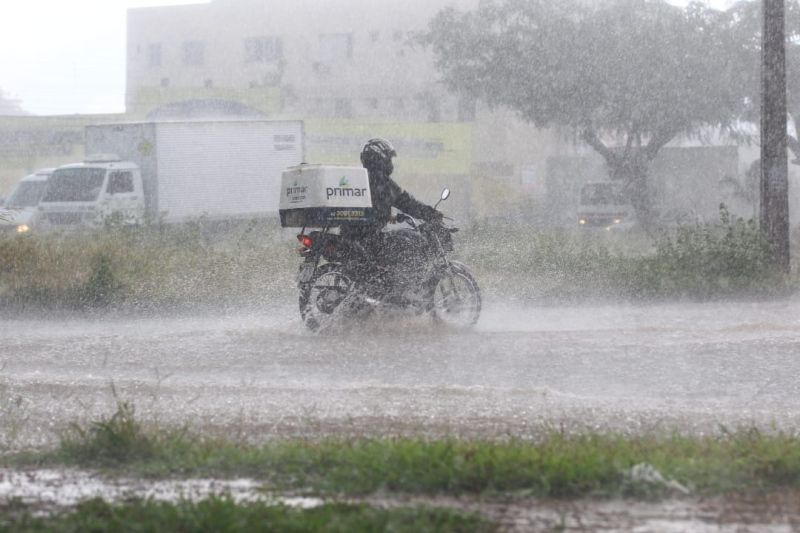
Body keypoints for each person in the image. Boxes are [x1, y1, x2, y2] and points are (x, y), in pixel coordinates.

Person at [339, 138, 443, 287]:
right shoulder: (381, 182)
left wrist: (388, 217)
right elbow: (407, 203)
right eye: (389, 158)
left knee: (399, 242)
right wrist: (430, 213)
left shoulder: (357, 180)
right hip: (370, 238)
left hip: (351, 236)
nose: (390, 163)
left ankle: (386, 285)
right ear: (380, 158)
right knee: (415, 240)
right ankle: (401, 288)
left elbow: (367, 208)